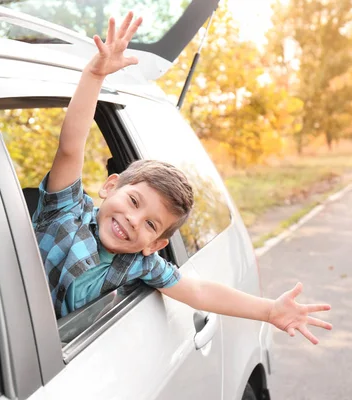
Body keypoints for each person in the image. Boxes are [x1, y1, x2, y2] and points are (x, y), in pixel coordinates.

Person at [33, 12, 332, 344]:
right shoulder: (64, 213)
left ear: (157, 245)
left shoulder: (139, 264)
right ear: (110, 185)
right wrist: (95, 75)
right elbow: (71, 147)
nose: (133, 220)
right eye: (133, 201)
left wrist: (269, 311)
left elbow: (200, 291)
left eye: (150, 225)